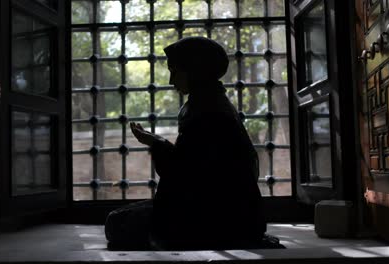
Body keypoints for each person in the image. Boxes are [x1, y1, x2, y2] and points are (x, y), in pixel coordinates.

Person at [105, 37, 280, 250]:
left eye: (175, 71)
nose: (171, 80)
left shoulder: (208, 111)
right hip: (230, 215)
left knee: (117, 222)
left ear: (195, 71)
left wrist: (156, 143)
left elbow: (185, 174)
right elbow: (192, 166)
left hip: (218, 219)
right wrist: (157, 142)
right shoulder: (212, 104)